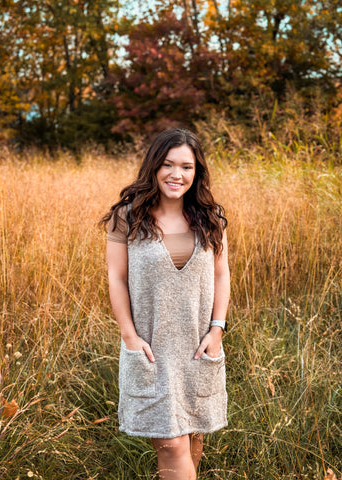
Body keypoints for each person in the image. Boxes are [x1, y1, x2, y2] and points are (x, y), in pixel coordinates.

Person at [101, 128, 230, 480]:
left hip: (198, 347)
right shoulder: (126, 217)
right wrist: (129, 337)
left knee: (193, 438)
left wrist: (217, 330)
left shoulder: (211, 217)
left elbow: (222, 275)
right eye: (168, 165)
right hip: (151, 350)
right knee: (172, 446)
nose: (177, 175)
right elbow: (117, 278)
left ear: (196, 172)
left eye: (186, 167)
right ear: (154, 167)